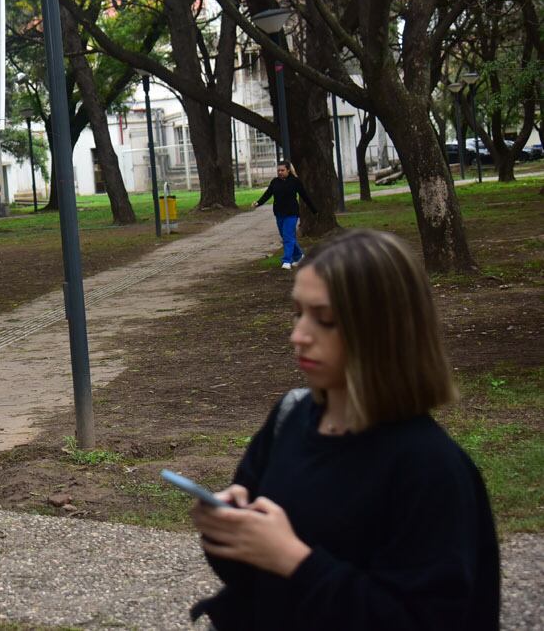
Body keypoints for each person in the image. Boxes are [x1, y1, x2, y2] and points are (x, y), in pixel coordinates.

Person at [187, 229, 499, 629]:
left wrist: (293, 560)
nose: (298, 336)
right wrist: (227, 532)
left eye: (326, 320)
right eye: (297, 313)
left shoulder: (430, 469)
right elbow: (250, 581)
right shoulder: (290, 418)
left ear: (384, 332)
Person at [252, 160, 316, 269]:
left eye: (282, 170)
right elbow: (268, 194)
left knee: (287, 236)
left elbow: (305, 196)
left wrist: (314, 210)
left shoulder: (295, 182)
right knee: (286, 236)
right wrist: (258, 203)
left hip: (291, 213)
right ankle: (299, 256)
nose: (280, 172)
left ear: (288, 170)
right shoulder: (275, 182)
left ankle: (286, 260)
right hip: (279, 213)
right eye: (278, 170)